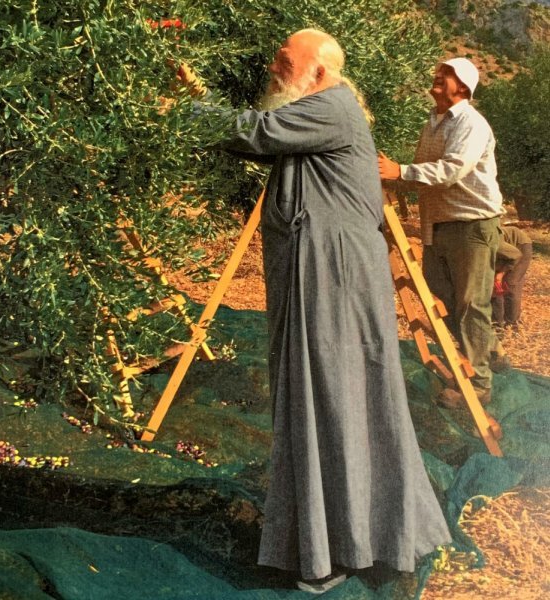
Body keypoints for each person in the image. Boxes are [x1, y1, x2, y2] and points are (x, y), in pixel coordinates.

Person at [182, 29, 451, 593]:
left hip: (333, 274)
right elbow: (257, 135)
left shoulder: (331, 105)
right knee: (324, 395)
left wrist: (178, 111)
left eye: (286, 61)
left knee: (332, 396)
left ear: (320, 71)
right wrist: (197, 97)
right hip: (323, 271)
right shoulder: (319, 108)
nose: (274, 68)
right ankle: (333, 542)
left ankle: (342, 550)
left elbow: (256, 132)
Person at [378, 58, 504, 406]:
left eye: (447, 74)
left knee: (470, 304)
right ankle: (489, 349)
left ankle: (479, 385)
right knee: (439, 293)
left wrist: (399, 171)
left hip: (472, 224)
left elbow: (450, 171)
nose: (438, 76)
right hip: (439, 223)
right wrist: (392, 178)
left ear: (462, 88)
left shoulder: (470, 123)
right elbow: (424, 174)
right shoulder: (433, 123)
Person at [492, 225, 532, 329]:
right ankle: (497, 322)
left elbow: (516, 255)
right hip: (504, 255)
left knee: (510, 284)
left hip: (520, 247)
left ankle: (512, 324)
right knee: (495, 287)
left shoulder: (495, 244)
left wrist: (501, 273)